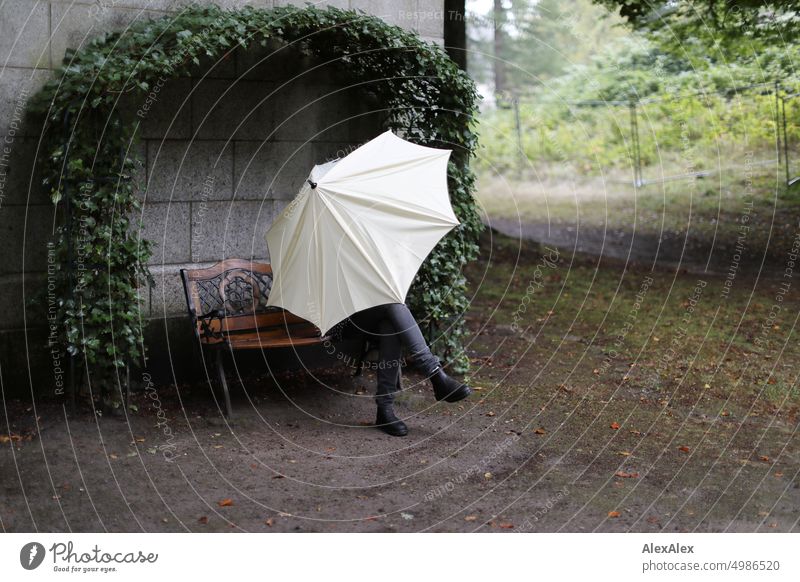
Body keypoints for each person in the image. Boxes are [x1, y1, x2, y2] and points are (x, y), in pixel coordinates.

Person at [342, 302, 472, 437]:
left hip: (373, 311)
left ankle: (384, 409)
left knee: (390, 323)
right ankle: (434, 372)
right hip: (342, 320)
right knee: (393, 306)